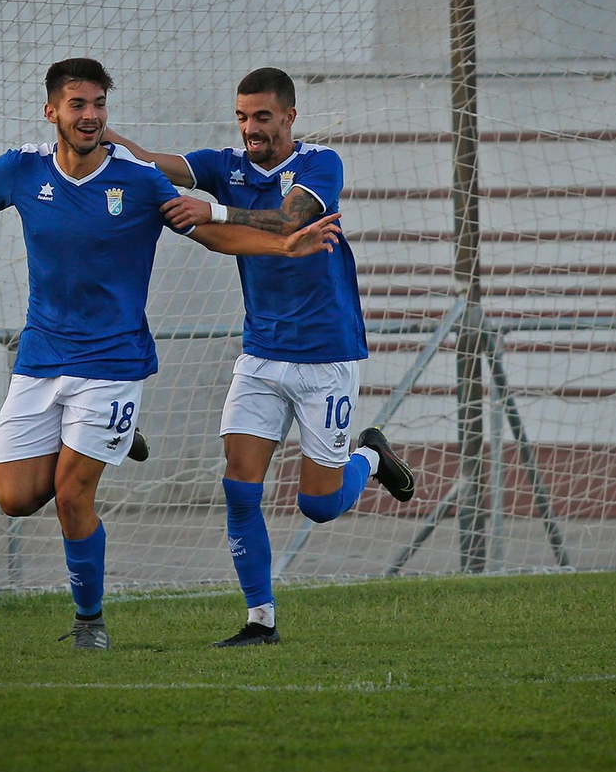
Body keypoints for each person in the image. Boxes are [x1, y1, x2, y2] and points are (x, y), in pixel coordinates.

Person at [0, 58, 343, 650]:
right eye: (78, 105)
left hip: (113, 364)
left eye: (98, 106)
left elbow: (211, 234)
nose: (90, 116)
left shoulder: (138, 181)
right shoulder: (21, 170)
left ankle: (90, 622)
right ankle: (110, 438)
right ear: (52, 111)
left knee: (71, 495)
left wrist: (282, 248)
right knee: (14, 500)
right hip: (40, 359)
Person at [106, 67, 416, 648]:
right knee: (240, 488)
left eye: (263, 117)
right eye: (244, 116)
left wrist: (213, 212)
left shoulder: (320, 164)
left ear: (290, 117)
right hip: (261, 354)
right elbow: (151, 161)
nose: (251, 128)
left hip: (326, 354)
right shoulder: (225, 165)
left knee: (318, 506)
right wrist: (104, 140)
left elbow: (290, 220)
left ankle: (369, 459)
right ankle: (260, 622)